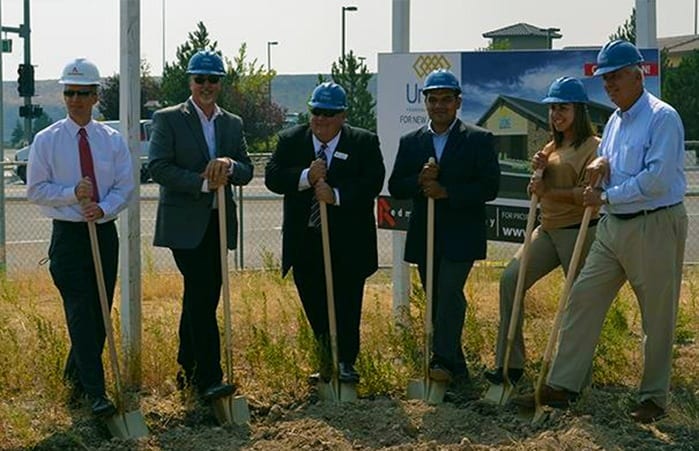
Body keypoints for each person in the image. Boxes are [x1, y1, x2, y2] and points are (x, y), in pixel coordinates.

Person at [513, 40, 688, 424]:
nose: (609, 85)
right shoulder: (614, 120)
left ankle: (653, 399)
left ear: (637, 73)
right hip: (613, 226)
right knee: (582, 299)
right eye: (605, 79)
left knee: (656, 317)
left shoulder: (663, 118)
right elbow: (609, 156)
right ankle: (561, 385)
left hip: (654, 222)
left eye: (615, 77)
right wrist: (604, 162)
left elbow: (656, 180)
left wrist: (605, 195)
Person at [27, 57, 134, 417]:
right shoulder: (47, 140)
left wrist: (103, 208)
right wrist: (72, 192)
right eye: (69, 92)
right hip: (69, 238)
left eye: (82, 93)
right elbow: (36, 190)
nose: (74, 99)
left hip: (103, 234)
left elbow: (125, 187)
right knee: (79, 312)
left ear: (95, 96)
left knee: (99, 313)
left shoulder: (111, 140)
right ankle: (97, 394)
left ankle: (73, 383)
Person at [148, 50, 253, 401]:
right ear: (189, 81)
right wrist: (203, 182)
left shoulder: (232, 123)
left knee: (201, 295)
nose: (206, 86)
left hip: (218, 221)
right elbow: (159, 167)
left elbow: (247, 169)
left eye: (213, 79)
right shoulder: (168, 119)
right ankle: (210, 377)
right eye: (200, 79)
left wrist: (229, 165)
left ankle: (187, 368)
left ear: (221, 83)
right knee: (203, 288)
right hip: (184, 223)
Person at [264, 82, 385, 383]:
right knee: (315, 304)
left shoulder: (363, 142)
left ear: (343, 115)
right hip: (305, 241)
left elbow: (373, 181)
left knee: (346, 304)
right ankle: (325, 359)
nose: (322, 119)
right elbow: (273, 176)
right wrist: (306, 177)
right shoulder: (291, 140)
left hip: (348, 243)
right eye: (317, 112)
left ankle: (345, 361)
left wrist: (337, 195)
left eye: (330, 113)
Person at [388, 69, 500, 389]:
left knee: (448, 292)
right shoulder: (412, 142)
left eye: (446, 100)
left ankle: (439, 359)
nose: (439, 106)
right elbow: (397, 185)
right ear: (425, 102)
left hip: (462, 235)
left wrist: (446, 191)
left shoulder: (478, 139)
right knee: (440, 299)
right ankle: (457, 369)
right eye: (433, 99)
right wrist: (420, 182)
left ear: (458, 102)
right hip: (426, 235)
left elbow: (489, 187)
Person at [484, 77, 601, 386]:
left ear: (579, 110)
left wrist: (549, 188)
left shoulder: (594, 147)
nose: (556, 115)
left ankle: (573, 378)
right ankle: (510, 363)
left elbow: (587, 195)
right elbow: (536, 192)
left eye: (563, 108)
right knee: (510, 279)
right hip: (546, 229)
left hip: (579, 232)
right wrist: (537, 175)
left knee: (578, 304)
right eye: (552, 109)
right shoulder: (551, 147)